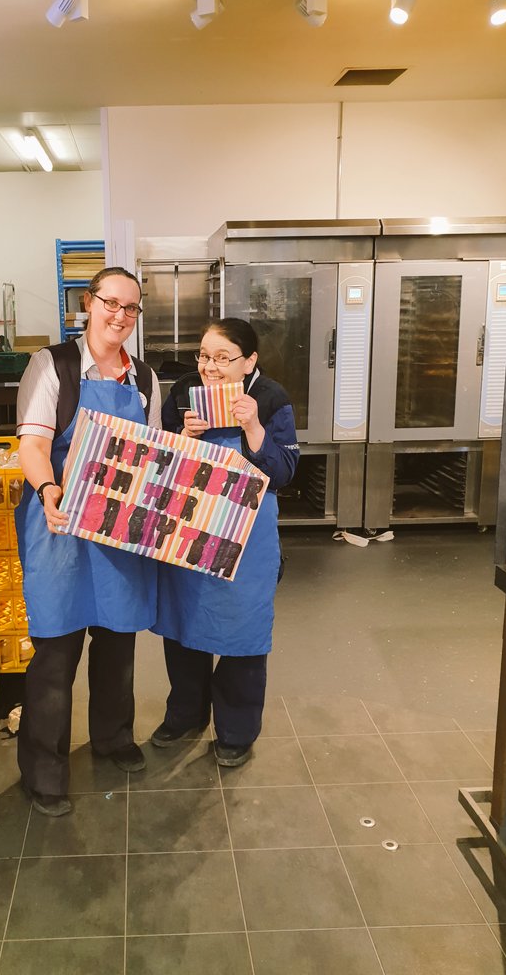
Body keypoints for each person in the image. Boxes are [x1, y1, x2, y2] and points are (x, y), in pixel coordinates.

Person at [14, 266, 161, 816]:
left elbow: (149, 453)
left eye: (130, 308)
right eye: (110, 303)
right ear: (88, 303)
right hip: (62, 526)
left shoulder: (143, 379)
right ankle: (43, 770)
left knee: (118, 638)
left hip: (118, 531)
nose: (119, 316)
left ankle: (113, 737)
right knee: (56, 651)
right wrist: (49, 487)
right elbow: (32, 442)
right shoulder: (53, 365)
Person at [150, 318, 299, 767]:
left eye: (222, 358)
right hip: (190, 526)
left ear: (249, 360)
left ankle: (236, 729)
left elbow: (286, 473)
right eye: (203, 356)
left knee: (243, 630)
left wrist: (253, 426)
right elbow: (157, 465)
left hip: (247, 533)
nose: (209, 368)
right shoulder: (182, 393)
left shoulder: (271, 399)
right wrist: (183, 437)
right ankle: (186, 714)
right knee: (184, 624)